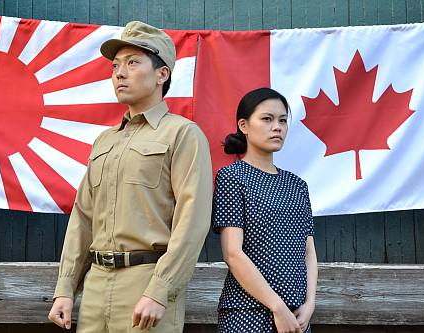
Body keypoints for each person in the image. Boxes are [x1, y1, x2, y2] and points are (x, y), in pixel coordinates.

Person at [48, 21, 213, 333]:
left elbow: (192, 220)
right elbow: (83, 218)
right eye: (115, 66)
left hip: (145, 283)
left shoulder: (182, 134)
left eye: (133, 63)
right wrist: (65, 288)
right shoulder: (104, 141)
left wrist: (159, 289)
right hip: (95, 285)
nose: (119, 73)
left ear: (162, 74)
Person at [212, 88, 318, 333]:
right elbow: (233, 253)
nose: (277, 127)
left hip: (298, 316)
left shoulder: (297, 185)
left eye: (282, 120)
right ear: (244, 125)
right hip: (247, 313)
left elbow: (308, 251)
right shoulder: (232, 177)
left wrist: (310, 304)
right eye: (267, 119)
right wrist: (277, 308)